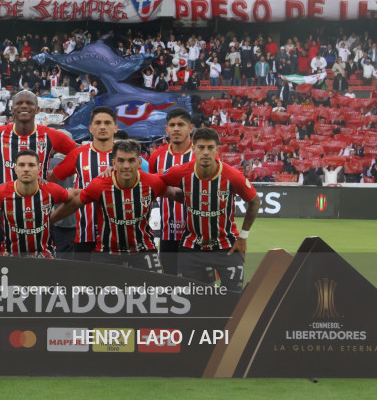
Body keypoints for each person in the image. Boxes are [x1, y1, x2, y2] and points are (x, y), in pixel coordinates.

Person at [160, 128, 261, 292]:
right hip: (192, 248)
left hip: (227, 247)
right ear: (193, 148)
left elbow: (255, 202)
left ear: (217, 149)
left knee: (234, 299)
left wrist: (243, 237)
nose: (205, 152)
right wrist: (178, 195)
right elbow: (155, 183)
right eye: (201, 147)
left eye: (210, 147)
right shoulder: (181, 172)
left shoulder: (232, 176)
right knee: (193, 301)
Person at [50, 139, 170, 271]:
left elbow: (177, 193)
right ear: (113, 163)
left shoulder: (153, 182)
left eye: (131, 160)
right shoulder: (100, 184)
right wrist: (49, 221)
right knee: (99, 290)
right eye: (121, 160)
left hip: (143, 248)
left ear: (139, 162)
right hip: (107, 251)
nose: (126, 166)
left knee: (157, 288)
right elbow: (73, 204)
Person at [47, 106, 116, 254]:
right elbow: (52, 180)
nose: (102, 127)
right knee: (82, 277)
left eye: (107, 123)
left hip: (117, 236)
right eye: (98, 123)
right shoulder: (78, 154)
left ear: (115, 128)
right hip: (84, 235)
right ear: (90, 128)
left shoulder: (126, 155)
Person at [0, 150, 72, 258]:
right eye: (21, 165)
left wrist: (55, 216)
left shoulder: (51, 190)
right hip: (10, 257)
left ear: (39, 169)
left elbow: (75, 198)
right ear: (15, 169)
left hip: (44, 257)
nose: (26, 169)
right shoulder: (1, 192)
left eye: (31, 165)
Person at [149, 108, 194, 276]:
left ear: (190, 128)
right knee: (170, 281)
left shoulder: (201, 155)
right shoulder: (157, 157)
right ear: (166, 129)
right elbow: (151, 189)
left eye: (181, 124)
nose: (176, 129)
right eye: (172, 125)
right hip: (168, 234)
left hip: (196, 234)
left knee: (198, 284)